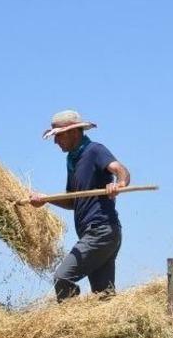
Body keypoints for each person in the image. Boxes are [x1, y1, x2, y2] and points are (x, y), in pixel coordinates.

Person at [30, 110, 131, 301]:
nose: (55, 141)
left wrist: (119, 184)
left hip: (101, 231)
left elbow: (121, 170)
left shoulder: (94, 150)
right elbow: (72, 201)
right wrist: (45, 199)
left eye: (58, 136)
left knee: (62, 277)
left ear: (74, 132)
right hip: (96, 233)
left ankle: (71, 324)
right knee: (104, 297)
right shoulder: (73, 161)